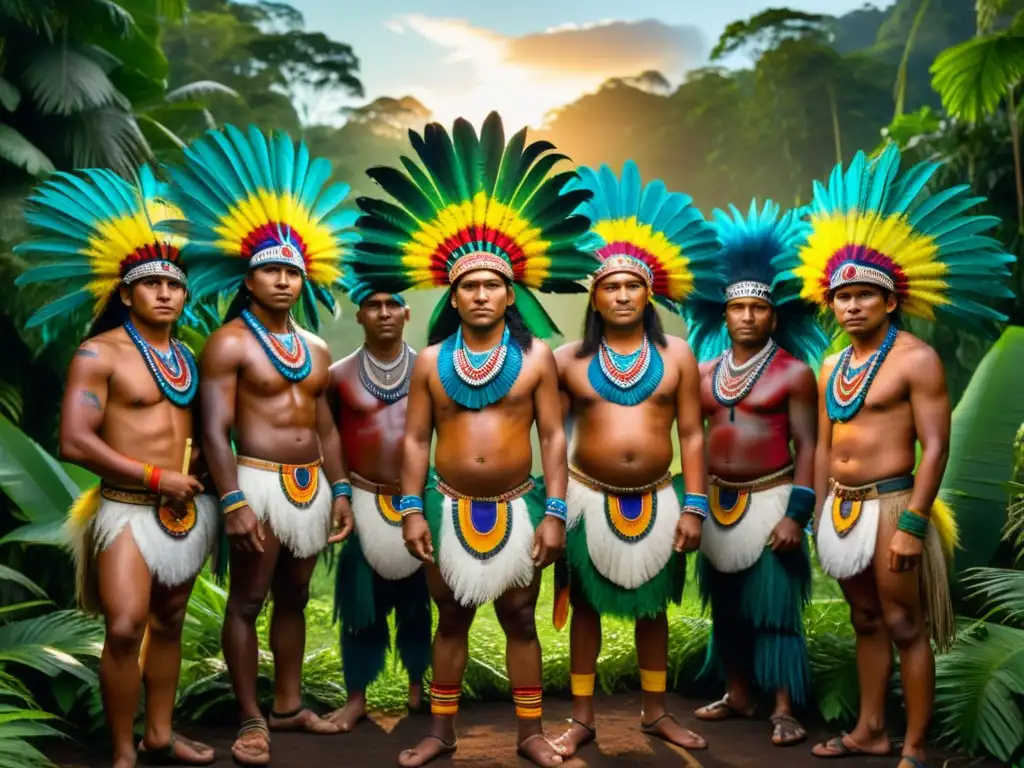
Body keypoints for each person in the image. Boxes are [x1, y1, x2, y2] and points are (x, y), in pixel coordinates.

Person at [347, 111, 598, 768]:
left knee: (519, 618)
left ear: (509, 293)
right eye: (469, 287)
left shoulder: (538, 357)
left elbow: (552, 437)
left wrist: (553, 515)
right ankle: (441, 730)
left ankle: (529, 734)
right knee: (449, 621)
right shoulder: (430, 363)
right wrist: (409, 510)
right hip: (448, 505)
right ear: (453, 298)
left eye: (492, 284)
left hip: (520, 505)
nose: (481, 294)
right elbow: (412, 444)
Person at [774, 145, 1016, 768]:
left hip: (891, 506)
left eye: (863, 296)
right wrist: (820, 510)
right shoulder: (831, 364)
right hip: (844, 509)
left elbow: (936, 445)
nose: (851, 305)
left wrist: (913, 522)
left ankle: (912, 746)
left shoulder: (915, 359)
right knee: (864, 620)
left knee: (905, 623)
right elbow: (825, 442)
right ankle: (870, 730)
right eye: (841, 296)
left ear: (888, 301)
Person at [167, 125, 360, 765]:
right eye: (270, 271)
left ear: (303, 281)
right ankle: (251, 719)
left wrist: (340, 491)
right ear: (248, 281)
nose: (282, 281)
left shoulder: (317, 348)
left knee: (296, 596)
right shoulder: (229, 344)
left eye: (291, 272)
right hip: (254, 478)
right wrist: (232, 502)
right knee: (249, 599)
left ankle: (288, 705)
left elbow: (327, 426)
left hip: (310, 484)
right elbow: (210, 428)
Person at [14, 167, 218, 767]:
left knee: (171, 619)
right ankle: (124, 750)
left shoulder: (187, 356)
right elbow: (75, 441)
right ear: (126, 294)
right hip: (126, 510)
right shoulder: (99, 353)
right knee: (126, 626)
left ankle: (160, 733)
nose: (164, 293)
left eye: (174, 285)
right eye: (149, 284)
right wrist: (156, 477)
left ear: (185, 295)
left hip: (186, 511)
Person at [552, 159, 719, 757]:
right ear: (593, 298)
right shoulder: (566, 360)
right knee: (588, 611)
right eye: (609, 286)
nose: (621, 294)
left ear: (649, 294)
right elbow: (548, 436)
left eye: (632, 285)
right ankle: (582, 718)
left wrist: (694, 507)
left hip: (659, 497)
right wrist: (552, 508)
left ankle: (655, 713)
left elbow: (693, 436)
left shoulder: (678, 355)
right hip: (586, 497)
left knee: (653, 611)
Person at [683, 200, 829, 747]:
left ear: (774, 315)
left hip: (772, 499)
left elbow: (809, 444)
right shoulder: (701, 374)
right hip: (717, 502)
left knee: (775, 609)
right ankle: (739, 691)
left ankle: (785, 706)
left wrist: (798, 514)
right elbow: (686, 437)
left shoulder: (793, 374)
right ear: (724, 314)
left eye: (758, 309)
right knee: (725, 602)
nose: (747, 316)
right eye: (738, 308)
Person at [325, 272, 431, 731]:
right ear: (359, 313)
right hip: (364, 497)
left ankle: (417, 689)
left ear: (407, 312)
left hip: (418, 501)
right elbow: (326, 435)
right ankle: (356, 700)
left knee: (420, 601)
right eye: (373, 304)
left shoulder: (431, 370)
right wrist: (340, 491)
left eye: (393, 304)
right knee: (360, 605)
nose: (384, 312)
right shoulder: (338, 376)